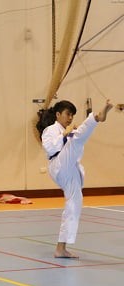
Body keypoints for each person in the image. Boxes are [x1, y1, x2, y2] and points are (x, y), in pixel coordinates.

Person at [36, 99, 112, 258]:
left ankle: (60, 248)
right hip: (58, 164)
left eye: (72, 115)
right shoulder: (50, 130)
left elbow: (77, 147)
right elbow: (50, 148)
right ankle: (97, 117)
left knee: (74, 204)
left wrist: (70, 133)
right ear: (58, 114)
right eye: (67, 114)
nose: (70, 118)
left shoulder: (70, 131)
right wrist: (65, 134)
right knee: (75, 140)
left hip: (70, 168)